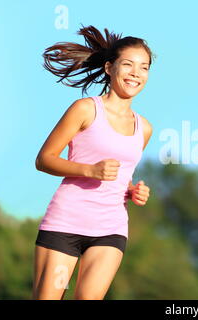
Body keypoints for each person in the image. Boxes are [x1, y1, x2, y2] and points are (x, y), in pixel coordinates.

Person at [33, 25, 155, 300]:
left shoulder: (144, 128)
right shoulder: (86, 109)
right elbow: (44, 159)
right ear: (109, 68)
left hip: (110, 228)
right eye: (128, 65)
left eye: (144, 67)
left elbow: (120, 176)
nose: (136, 73)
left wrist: (133, 190)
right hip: (66, 223)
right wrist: (89, 170)